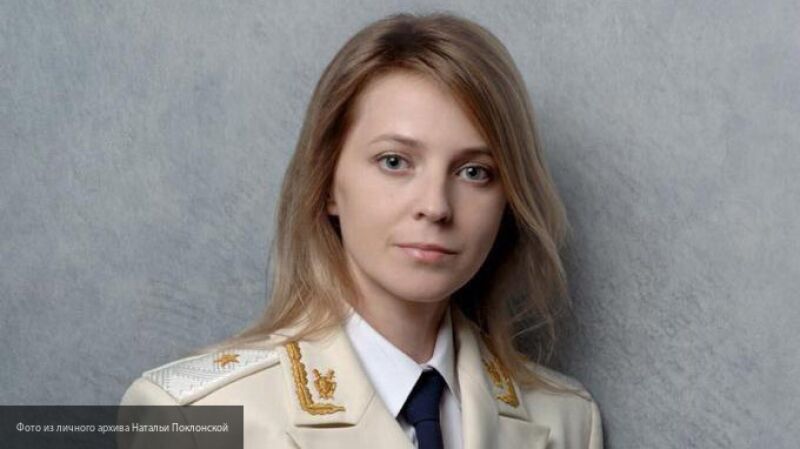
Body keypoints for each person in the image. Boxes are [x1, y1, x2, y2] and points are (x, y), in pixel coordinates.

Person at [120, 11, 603, 449]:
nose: (435, 207)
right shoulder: (190, 420)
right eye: (394, 162)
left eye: (474, 172)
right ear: (328, 183)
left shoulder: (566, 420)